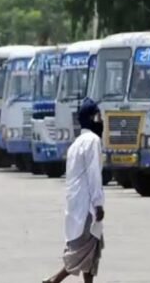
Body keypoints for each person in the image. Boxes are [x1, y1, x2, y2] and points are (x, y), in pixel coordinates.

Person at [44, 98, 105, 283]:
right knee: (82, 250)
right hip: (86, 205)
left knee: (92, 248)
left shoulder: (76, 144)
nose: (101, 121)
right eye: (98, 116)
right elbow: (94, 175)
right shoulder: (92, 141)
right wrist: (98, 204)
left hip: (75, 205)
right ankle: (54, 280)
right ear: (92, 118)